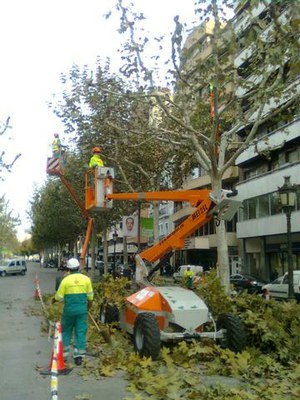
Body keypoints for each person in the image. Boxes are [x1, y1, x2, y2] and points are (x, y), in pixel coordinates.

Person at [53, 258, 94, 366]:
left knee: (66, 331)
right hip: (82, 311)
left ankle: (64, 356)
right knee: (80, 332)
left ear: (68, 269)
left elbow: (59, 296)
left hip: (69, 311)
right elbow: (90, 297)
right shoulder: (86, 279)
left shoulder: (65, 280)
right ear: (78, 268)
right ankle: (78, 357)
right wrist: (88, 307)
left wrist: (53, 300)